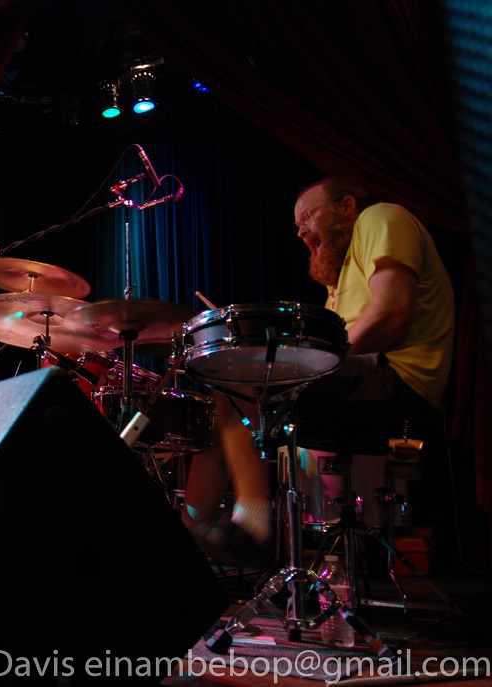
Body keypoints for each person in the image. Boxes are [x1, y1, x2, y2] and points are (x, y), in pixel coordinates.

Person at [182, 177, 455, 567]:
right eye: (296, 226)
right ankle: (188, 540)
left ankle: (254, 525)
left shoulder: (380, 218)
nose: (301, 230)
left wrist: (298, 367)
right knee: (222, 400)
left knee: (239, 379)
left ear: (346, 206)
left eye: (308, 216)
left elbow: (393, 313)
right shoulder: (343, 277)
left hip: (400, 382)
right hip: (369, 378)